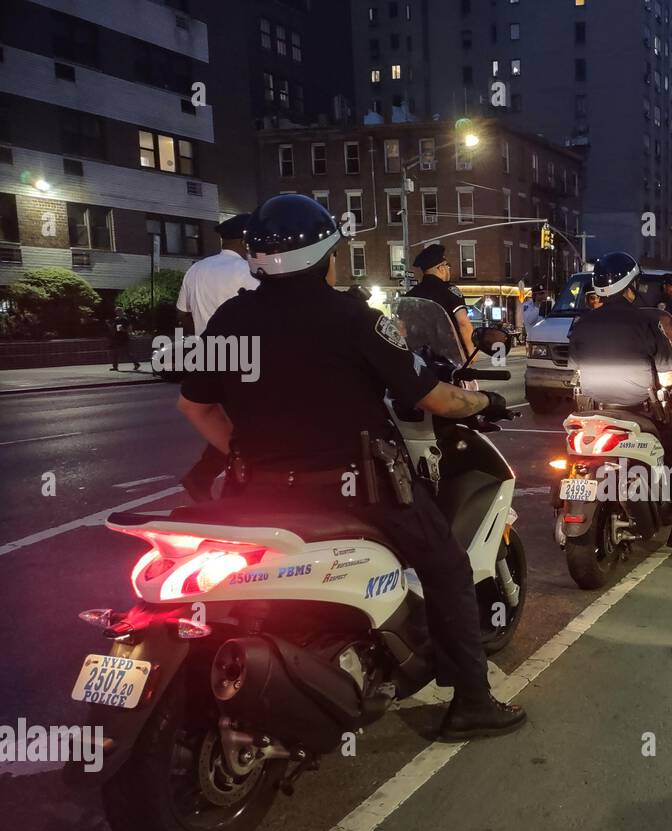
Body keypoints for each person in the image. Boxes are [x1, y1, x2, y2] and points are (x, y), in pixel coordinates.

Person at [176, 194, 523, 740]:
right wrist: (485, 402)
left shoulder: (229, 318)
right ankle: (473, 702)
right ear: (323, 258)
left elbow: (194, 405)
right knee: (448, 566)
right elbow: (432, 396)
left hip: (255, 492)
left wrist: (242, 454)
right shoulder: (352, 317)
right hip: (354, 490)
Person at [567, 252, 672, 554]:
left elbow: (573, 367)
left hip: (596, 410)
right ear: (630, 286)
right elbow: (667, 373)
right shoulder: (646, 320)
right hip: (639, 408)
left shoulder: (581, 324)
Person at [174, 213, 259, 499]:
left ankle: (207, 478)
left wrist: (202, 333)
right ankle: (228, 485)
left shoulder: (196, 269)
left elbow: (182, 312)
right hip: (244, 354)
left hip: (207, 354)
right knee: (250, 423)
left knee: (235, 423)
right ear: (246, 239)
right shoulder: (247, 270)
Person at [406, 244, 475, 361]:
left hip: (419, 359)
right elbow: (463, 323)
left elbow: (402, 326)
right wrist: (471, 352)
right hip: (449, 357)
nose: (448, 269)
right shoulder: (450, 291)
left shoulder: (411, 295)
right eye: (447, 266)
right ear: (441, 268)